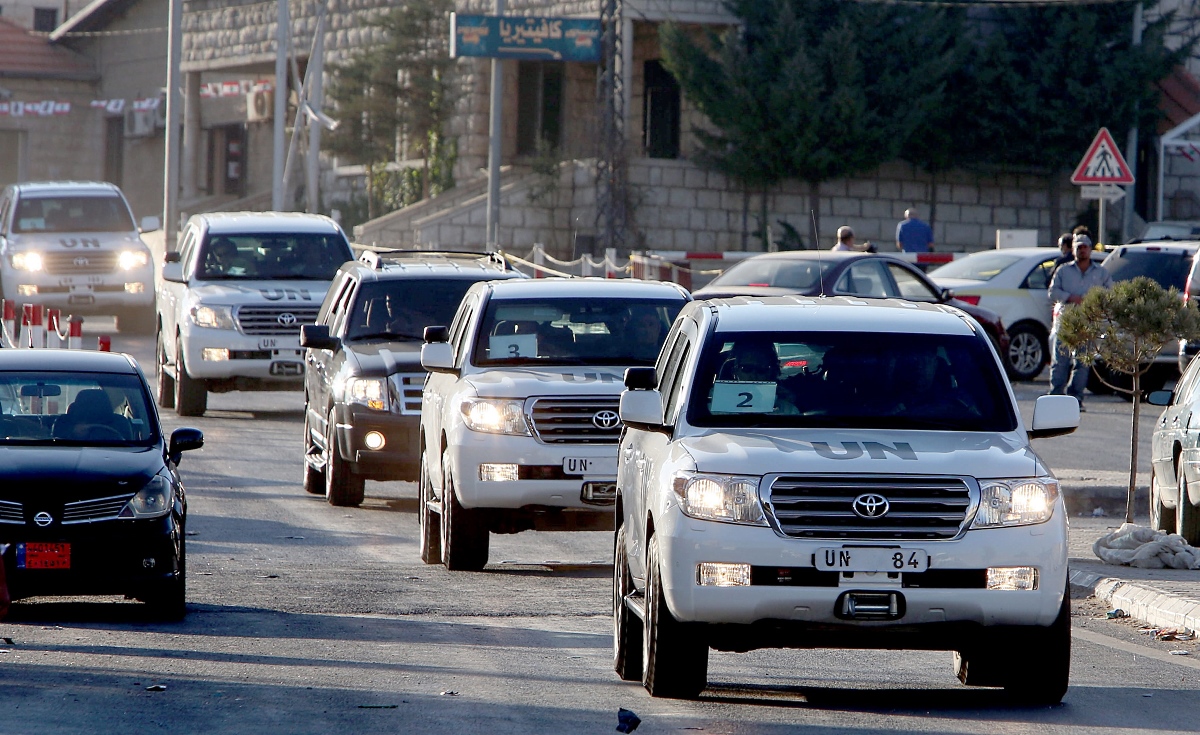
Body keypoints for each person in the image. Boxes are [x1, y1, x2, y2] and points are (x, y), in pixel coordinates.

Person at [1047, 234, 1113, 411]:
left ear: (1090, 249)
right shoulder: (1063, 270)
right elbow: (1052, 292)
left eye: (1085, 247)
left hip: (1089, 323)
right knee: (1060, 361)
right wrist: (1070, 297)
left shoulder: (1101, 273)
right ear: (1074, 250)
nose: (1082, 250)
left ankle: (1076, 398)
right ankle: (1055, 398)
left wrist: (1094, 301)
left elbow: (1110, 294)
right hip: (1066, 321)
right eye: (1079, 247)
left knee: (1083, 363)